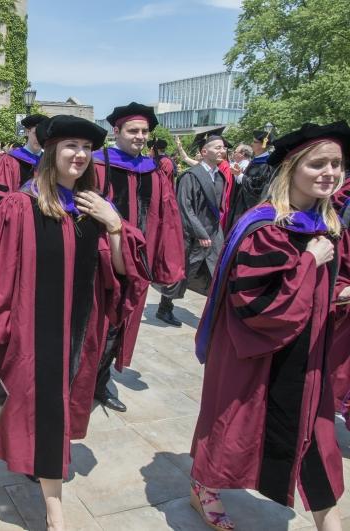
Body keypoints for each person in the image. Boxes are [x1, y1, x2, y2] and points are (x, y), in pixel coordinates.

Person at [0, 115, 150, 531]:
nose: (79, 154)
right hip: (35, 330)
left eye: (85, 148)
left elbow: (121, 269)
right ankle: (55, 510)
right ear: (51, 152)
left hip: (79, 328)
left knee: (55, 409)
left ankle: (46, 479)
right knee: (44, 411)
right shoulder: (21, 206)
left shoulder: (93, 207)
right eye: (70, 146)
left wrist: (115, 224)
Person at [190, 121, 350, 531]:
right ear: (292, 168)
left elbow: (335, 281)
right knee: (232, 427)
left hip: (308, 354)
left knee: (314, 438)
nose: (329, 172)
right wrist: (309, 262)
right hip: (257, 352)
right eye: (317, 164)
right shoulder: (266, 228)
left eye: (336, 164)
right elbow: (255, 303)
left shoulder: (328, 226)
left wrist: (339, 289)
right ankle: (203, 486)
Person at [91, 102, 185, 412]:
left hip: (137, 267)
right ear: (116, 131)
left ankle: (99, 381)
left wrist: (165, 263)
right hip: (101, 262)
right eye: (133, 130)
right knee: (94, 325)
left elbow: (168, 219)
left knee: (119, 327)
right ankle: (80, 380)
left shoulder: (154, 173)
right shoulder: (97, 165)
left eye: (145, 131)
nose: (140, 136)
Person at [165, 129, 231, 309]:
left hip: (214, 232)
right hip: (193, 234)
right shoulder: (190, 176)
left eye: (223, 148)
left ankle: (215, 314)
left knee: (218, 271)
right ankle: (165, 306)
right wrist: (200, 232)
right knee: (184, 272)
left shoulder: (220, 176)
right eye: (217, 147)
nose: (222, 151)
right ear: (204, 152)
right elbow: (184, 208)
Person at [0, 114, 47, 217]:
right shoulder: (10, 160)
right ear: (27, 132)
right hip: (17, 219)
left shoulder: (49, 162)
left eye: (43, 134)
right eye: (36, 133)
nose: (40, 138)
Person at [225, 129, 275, 230]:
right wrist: (239, 175)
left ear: (263, 144)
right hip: (241, 203)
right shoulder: (255, 161)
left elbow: (258, 188)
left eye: (254, 142)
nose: (251, 144)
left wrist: (240, 175)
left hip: (249, 207)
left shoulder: (266, 164)